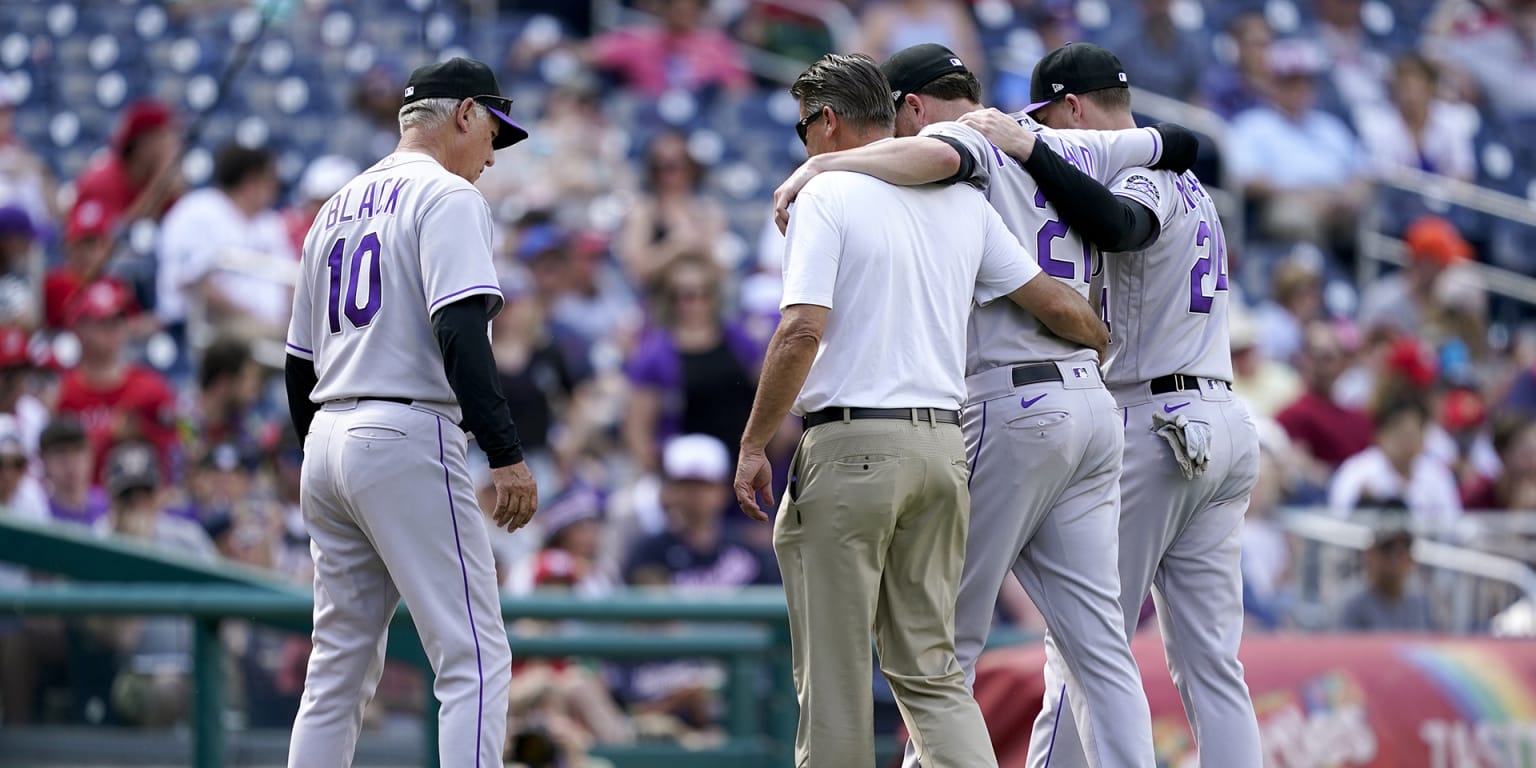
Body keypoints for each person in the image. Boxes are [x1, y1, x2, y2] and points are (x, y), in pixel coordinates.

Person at [770, 42, 1199, 768]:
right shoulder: (1058, 140)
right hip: (1086, 396)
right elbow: (1186, 144)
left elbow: (938, 159)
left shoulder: (950, 140)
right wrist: (1094, 340)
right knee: (1100, 647)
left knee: (940, 648)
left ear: (911, 106)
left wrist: (820, 163)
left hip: (1010, 397)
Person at [999, 42, 1264, 768]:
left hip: (1159, 423)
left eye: (1049, 120)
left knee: (1086, 643)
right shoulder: (1190, 180)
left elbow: (1121, 228)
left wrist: (1032, 154)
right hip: (1221, 419)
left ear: (1071, 108)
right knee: (1212, 663)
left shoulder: (1145, 171)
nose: (1047, 134)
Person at [282, 57, 539, 768]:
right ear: (463, 115)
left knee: (336, 671)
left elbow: (297, 363)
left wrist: (326, 455)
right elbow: (460, 332)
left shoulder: (333, 207)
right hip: (404, 428)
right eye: (493, 132)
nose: (492, 154)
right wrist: (506, 453)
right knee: (474, 657)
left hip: (330, 433)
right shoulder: (448, 197)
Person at [156, 142, 294, 350]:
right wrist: (262, 322)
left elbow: (292, 281)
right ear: (251, 181)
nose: (276, 188)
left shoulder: (269, 222)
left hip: (268, 330)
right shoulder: (198, 211)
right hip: (210, 326)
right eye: (271, 180)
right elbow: (199, 286)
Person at [1329, 396, 1463, 531]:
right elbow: (1340, 524)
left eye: (1412, 434)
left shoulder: (1437, 474)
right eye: (1400, 433)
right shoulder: (1356, 471)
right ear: (1381, 434)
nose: (1406, 442)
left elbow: (1452, 526)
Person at [1334, 523, 1443, 632]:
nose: (1397, 558)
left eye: (1405, 548)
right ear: (1371, 555)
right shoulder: (1353, 606)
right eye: (1388, 548)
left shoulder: (1423, 605)